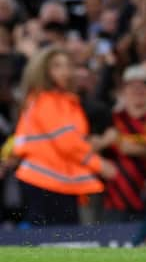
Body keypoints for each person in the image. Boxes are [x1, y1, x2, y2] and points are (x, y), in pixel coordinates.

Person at [11, 46, 117, 225]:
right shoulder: (46, 100)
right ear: (43, 71)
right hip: (44, 182)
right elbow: (67, 143)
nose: (65, 71)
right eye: (57, 66)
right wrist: (100, 164)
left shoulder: (62, 101)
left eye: (68, 65)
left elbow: (70, 141)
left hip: (56, 181)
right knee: (54, 244)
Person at [102, 65, 146, 222]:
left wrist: (128, 146)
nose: (138, 91)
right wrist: (102, 144)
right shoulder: (111, 118)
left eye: (143, 87)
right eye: (132, 87)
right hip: (115, 199)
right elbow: (91, 147)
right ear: (123, 92)